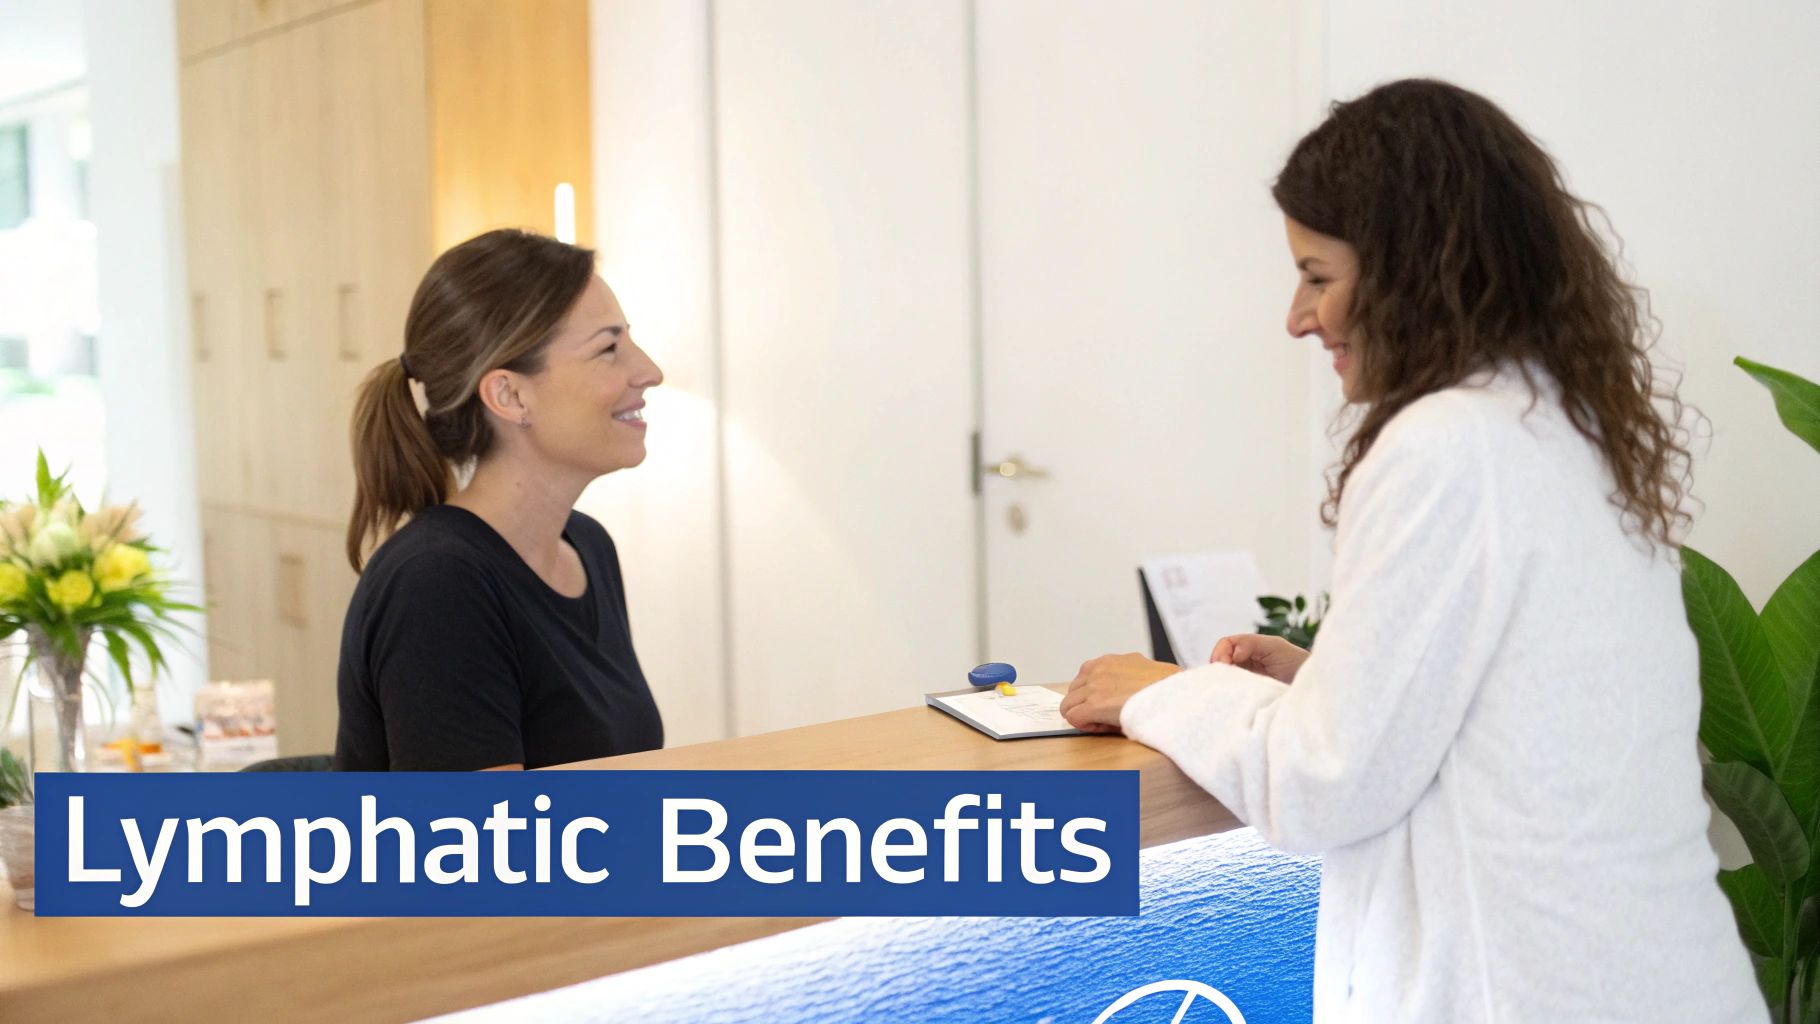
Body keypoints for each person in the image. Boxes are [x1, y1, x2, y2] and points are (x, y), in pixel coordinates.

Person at [1060, 79, 1763, 1022]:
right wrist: (1326, 679)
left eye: (1318, 276)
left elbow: (1316, 788)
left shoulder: (1445, 444)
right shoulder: (1567, 430)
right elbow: (1523, 709)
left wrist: (1159, 692)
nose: (1297, 318)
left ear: (1411, 270)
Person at [334, 228, 666, 771]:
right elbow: (482, 848)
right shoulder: (438, 585)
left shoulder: (587, 546)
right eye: (609, 349)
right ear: (509, 395)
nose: (648, 370)